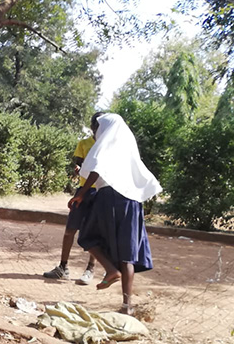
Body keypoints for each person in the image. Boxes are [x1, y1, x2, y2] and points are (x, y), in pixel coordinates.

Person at [70, 113, 162, 315]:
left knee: (87, 236)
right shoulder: (128, 148)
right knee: (127, 255)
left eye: (97, 129)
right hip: (132, 202)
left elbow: (95, 168)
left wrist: (81, 194)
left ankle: (111, 271)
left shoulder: (106, 145)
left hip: (110, 197)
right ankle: (126, 307)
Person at [43, 113, 102, 284]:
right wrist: (77, 168)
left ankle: (90, 269)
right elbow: (79, 163)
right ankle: (63, 268)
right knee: (70, 230)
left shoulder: (109, 145)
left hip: (100, 192)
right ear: (92, 127)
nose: (98, 128)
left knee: (94, 233)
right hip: (83, 191)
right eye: (96, 125)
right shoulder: (84, 144)